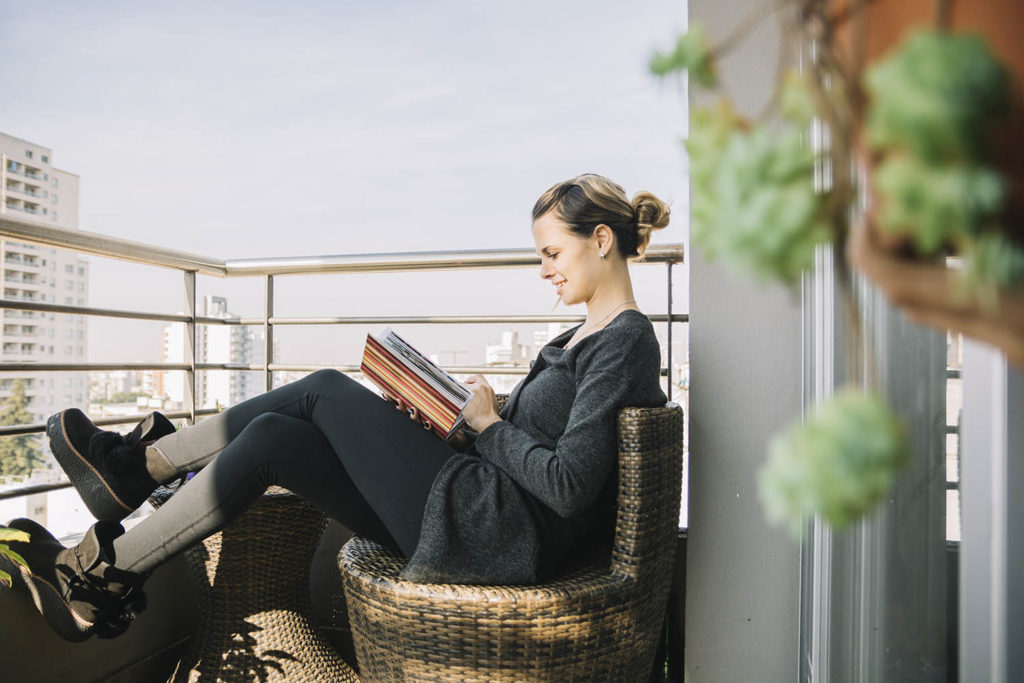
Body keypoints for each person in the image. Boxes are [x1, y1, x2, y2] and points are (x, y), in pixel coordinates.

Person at [0, 173, 670, 642]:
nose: (546, 269)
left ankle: (136, 468)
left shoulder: (624, 338)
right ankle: (105, 580)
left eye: (552, 252)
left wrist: (490, 424)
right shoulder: (582, 333)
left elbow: (570, 484)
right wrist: (453, 422)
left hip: (493, 533)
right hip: (476, 509)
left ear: (602, 239)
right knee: (271, 436)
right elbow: (539, 452)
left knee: (323, 385)